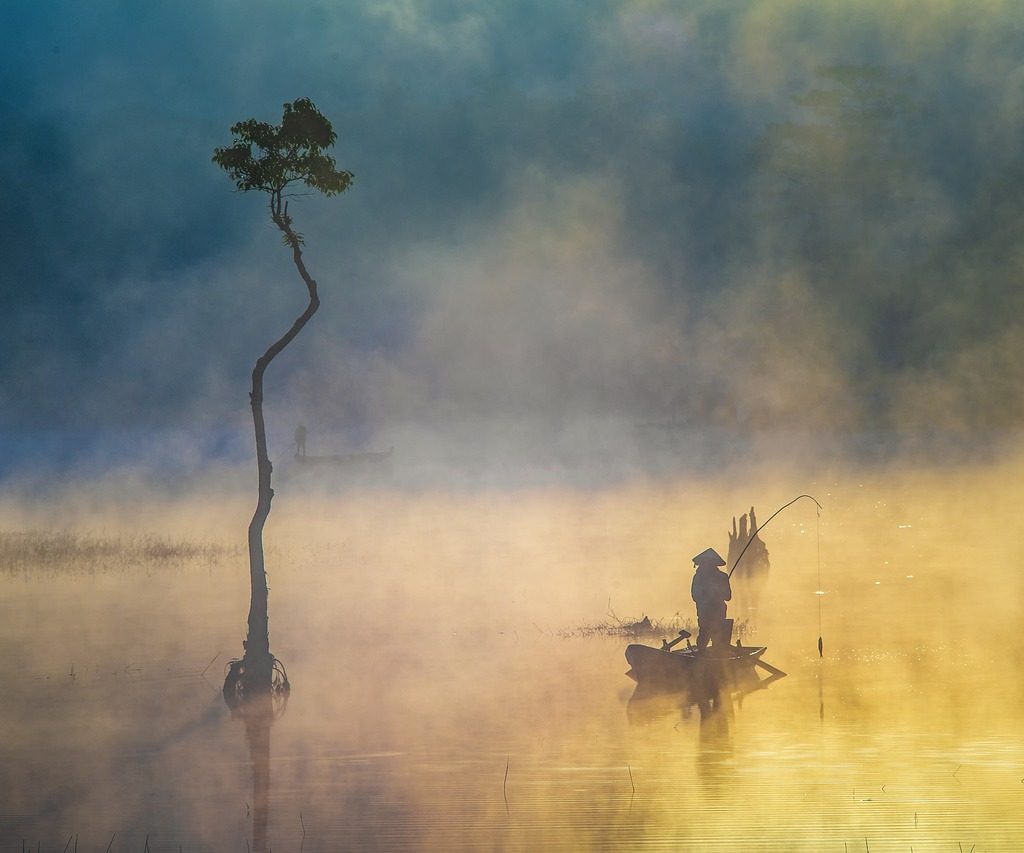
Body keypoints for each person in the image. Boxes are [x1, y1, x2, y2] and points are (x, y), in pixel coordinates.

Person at [690, 547, 732, 652]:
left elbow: (728, 597)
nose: (705, 565)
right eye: (704, 563)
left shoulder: (722, 577)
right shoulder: (698, 577)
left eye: (708, 563)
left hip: (718, 612)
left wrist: (717, 593)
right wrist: (708, 595)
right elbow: (695, 596)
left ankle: (717, 658)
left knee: (717, 637)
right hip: (704, 612)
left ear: (714, 564)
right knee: (704, 634)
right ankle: (701, 658)